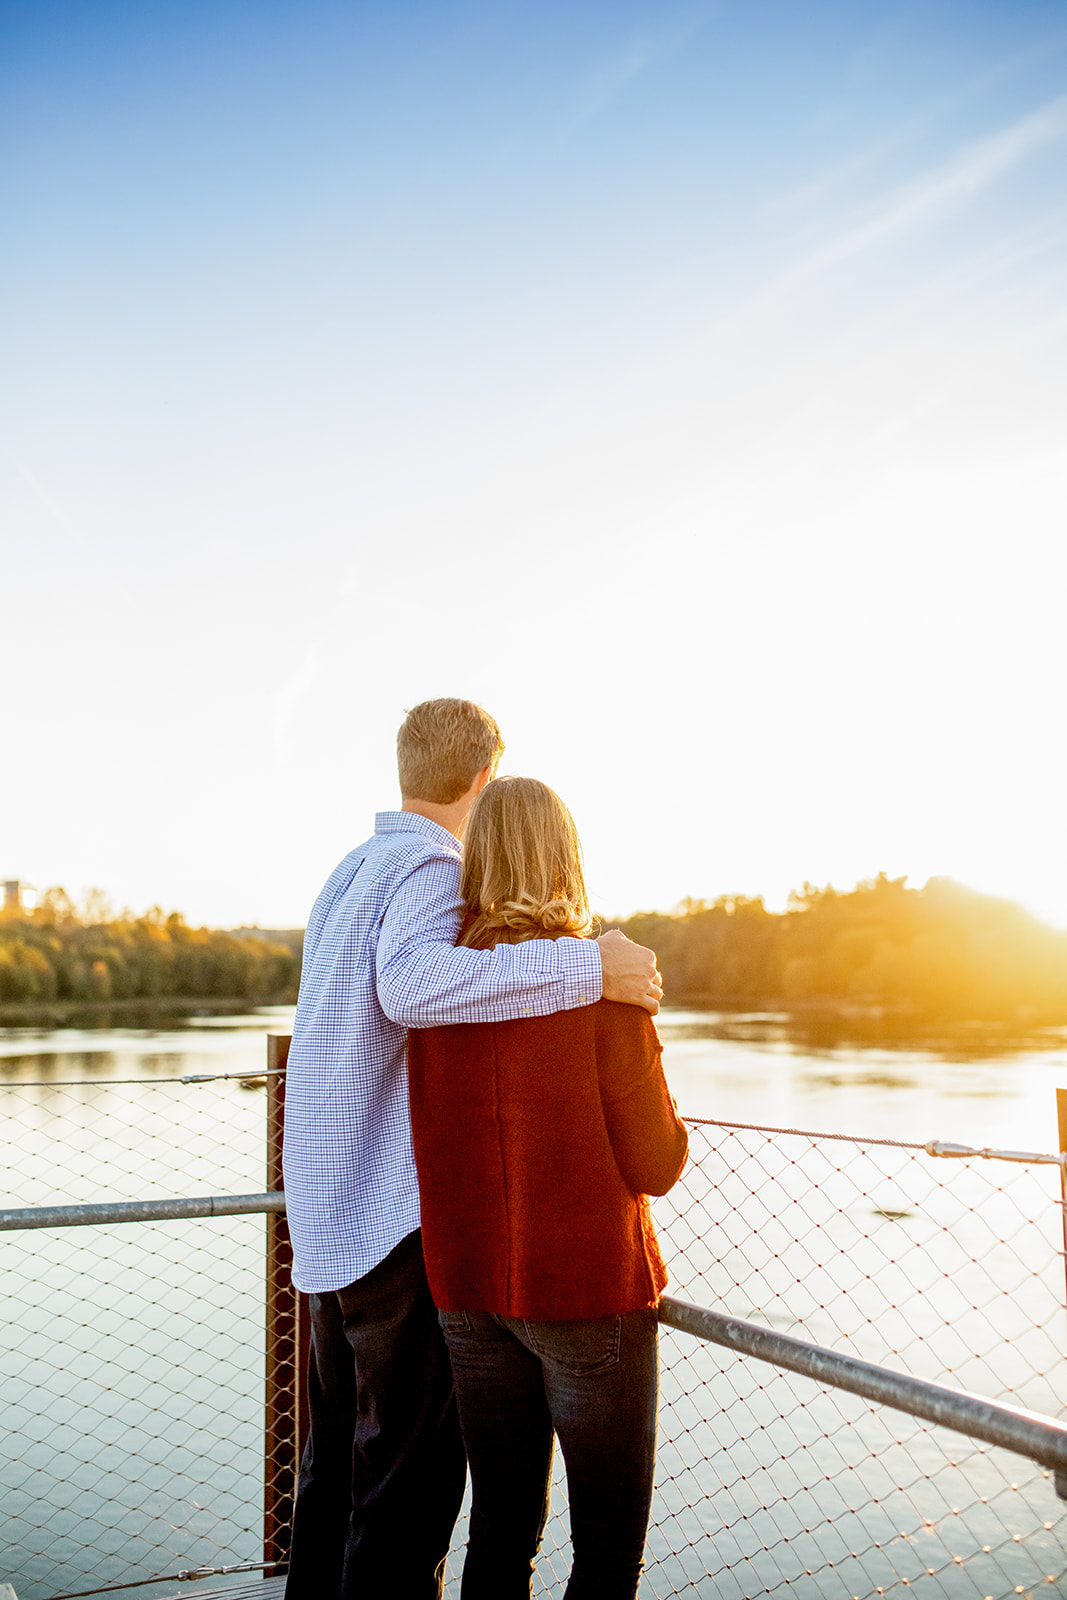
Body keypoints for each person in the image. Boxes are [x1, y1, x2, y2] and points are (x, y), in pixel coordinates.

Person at [281, 699, 662, 1600]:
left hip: (326, 1214)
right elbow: (413, 986)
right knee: (405, 1492)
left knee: (333, 1472)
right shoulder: (428, 865)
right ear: (486, 777)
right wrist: (590, 968)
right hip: (387, 1223)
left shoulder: (352, 868)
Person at [407, 776, 689, 1600]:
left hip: (468, 1293)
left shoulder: (439, 991)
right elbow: (657, 1165)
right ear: (566, 857)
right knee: (604, 1553)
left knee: (497, 1535)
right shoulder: (603, 988)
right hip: (588, 1294)